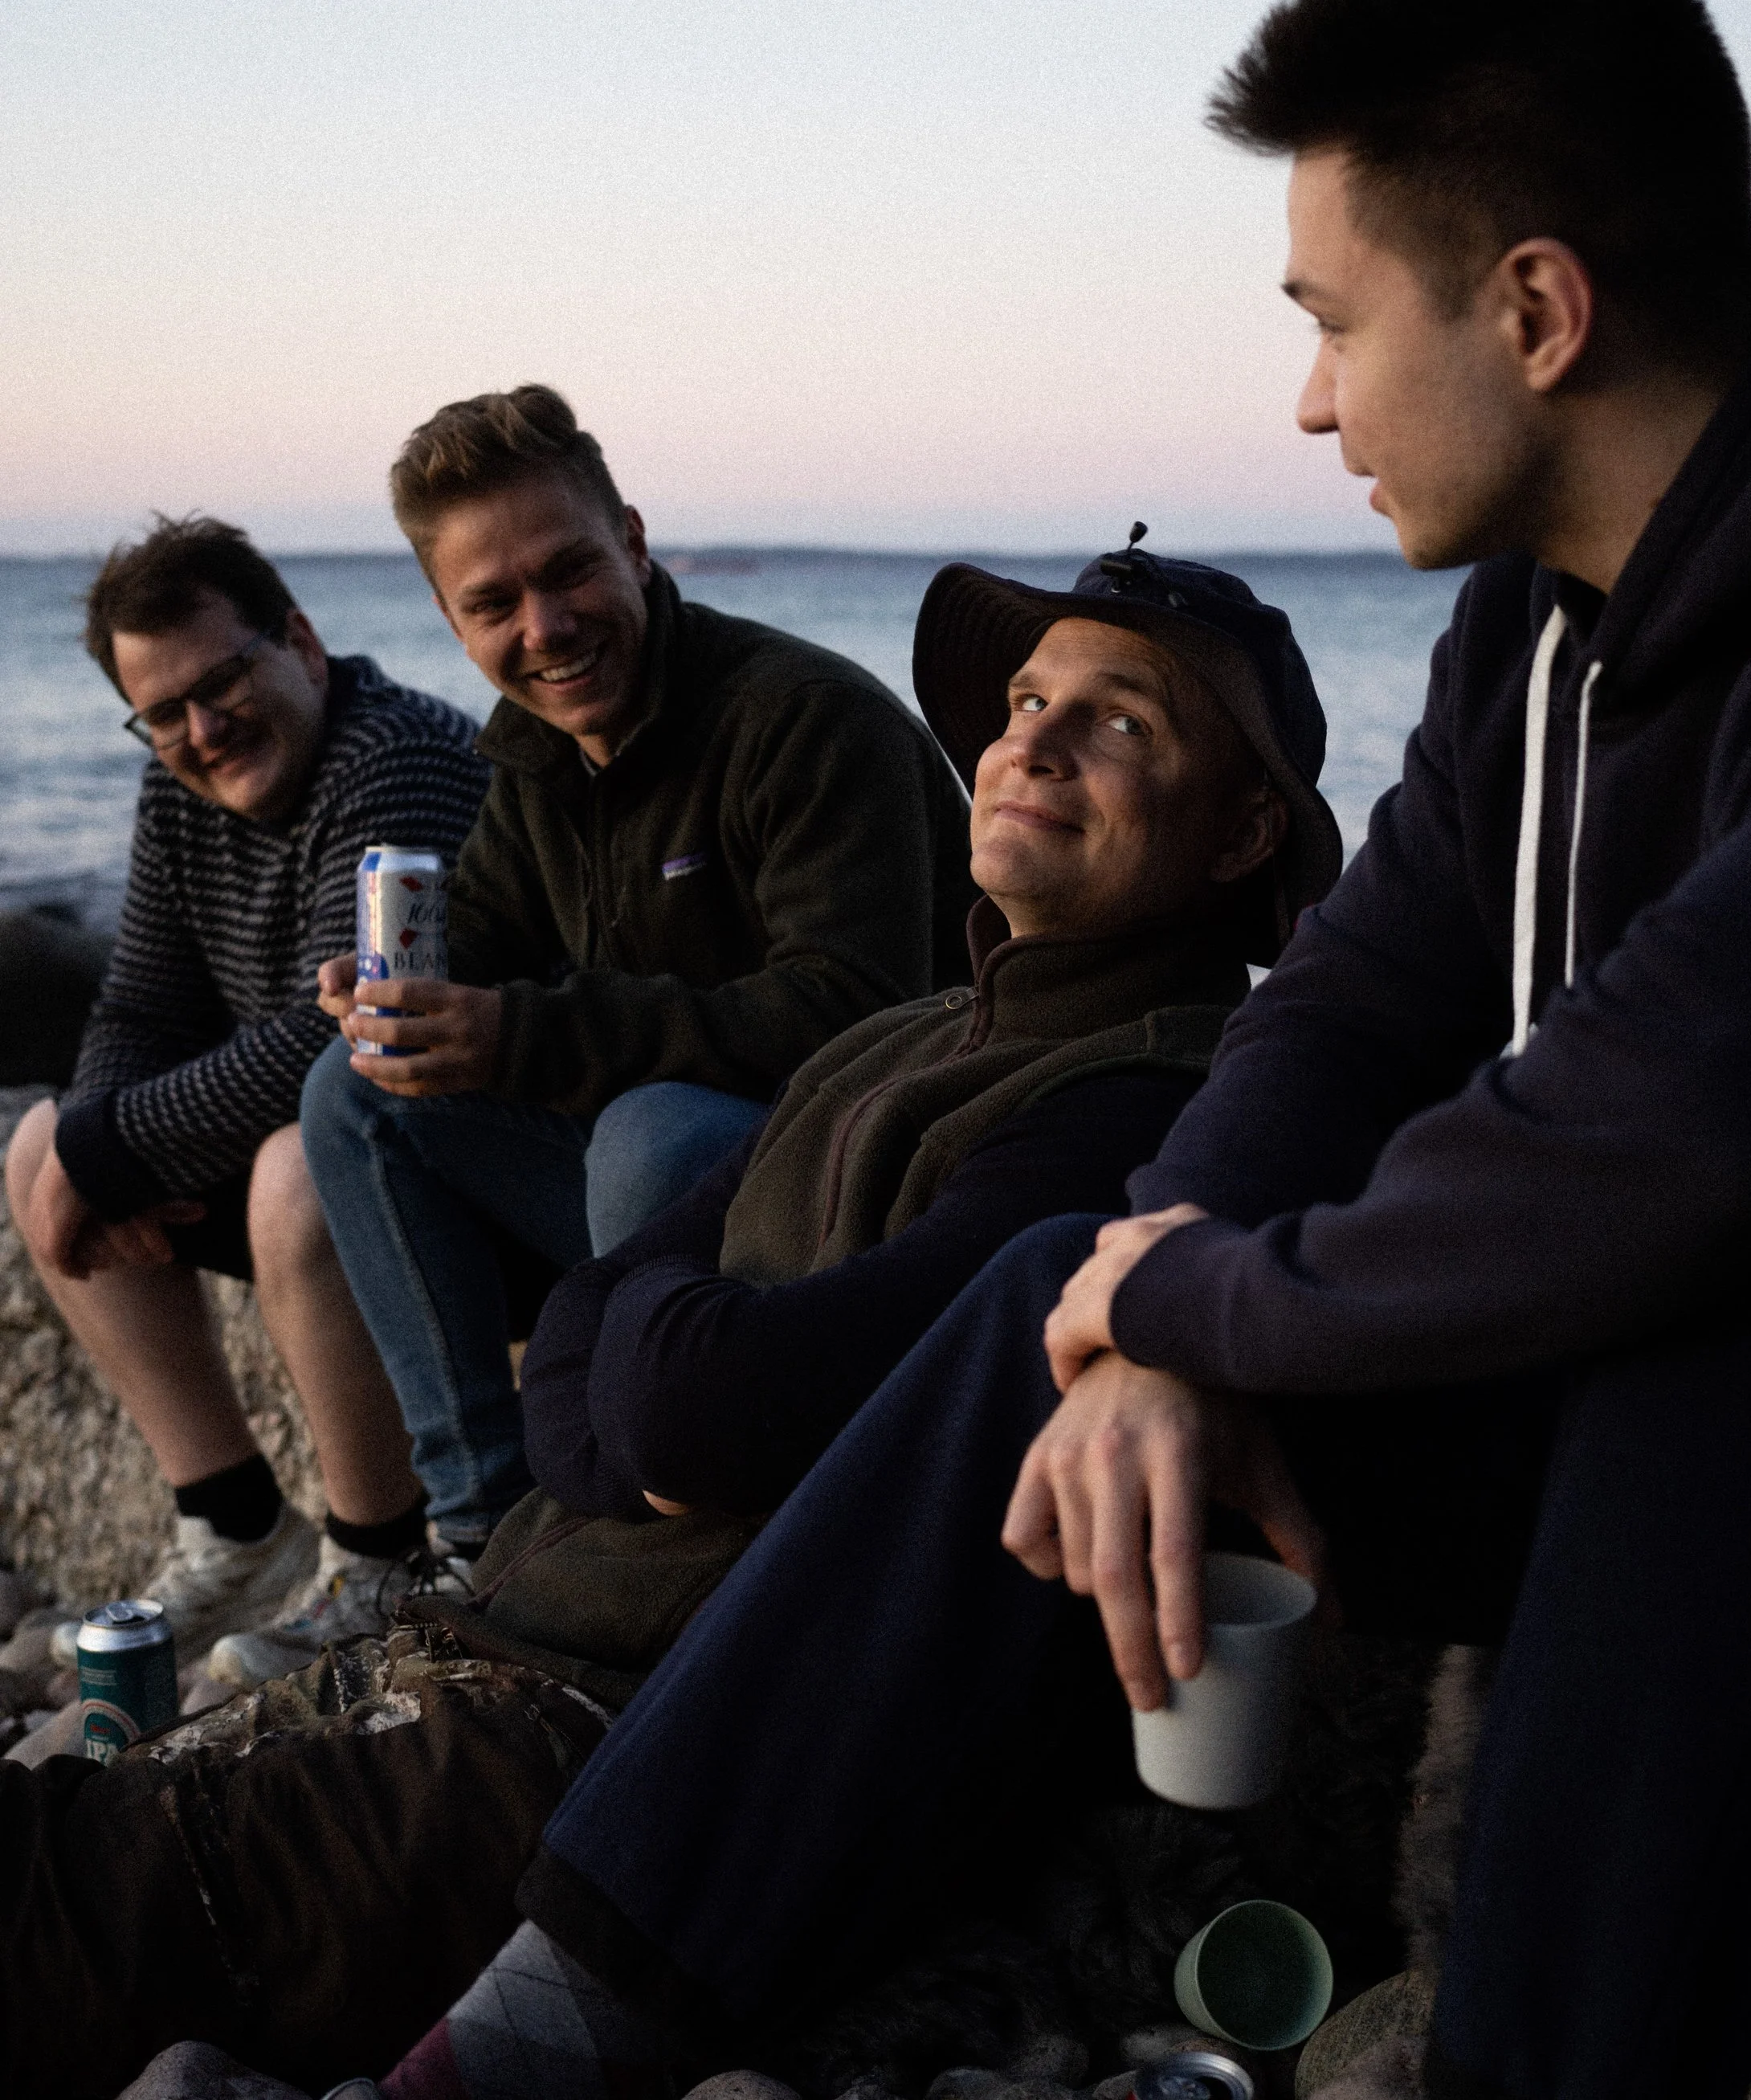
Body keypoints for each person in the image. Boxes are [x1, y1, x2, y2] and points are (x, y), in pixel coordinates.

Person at [359, 0, 1751, 2100]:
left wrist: (1219, 1307)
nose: (1308, 394)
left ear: (1532, 308)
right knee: (1061, 1265)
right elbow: (1342, 996)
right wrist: (1150, 1306)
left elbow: (1693, 1113)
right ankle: (535, 2036)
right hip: (1595, 1382)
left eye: (1329, 317)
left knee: (1745, 1341)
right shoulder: (1533, 621)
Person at [0, 545, 1340, 2100]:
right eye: (1028, 698)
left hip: (608, 1747)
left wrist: (648, 1370)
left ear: (1247, 829)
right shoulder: (909, 1037)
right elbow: (593, 1336)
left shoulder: (1136, 1110)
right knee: (72, 1838)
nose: (1030, 738)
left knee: (67, 1927)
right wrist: (643, 1376)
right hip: (478, 1641)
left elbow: (716, 1406)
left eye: (1121, 725)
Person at [293, 383, 975, 1596]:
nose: (545, 627)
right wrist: (389, 1003)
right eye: (493, 603)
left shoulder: (806, 722)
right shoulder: (538, 752)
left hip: (856, 1201)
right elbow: (490, 950)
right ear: (452, 623)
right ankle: (479, 1540)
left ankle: (645, 1544)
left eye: (569, 573)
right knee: (356, 1092)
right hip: (664, 1210)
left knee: (647, 1133)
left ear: (636, 544)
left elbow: (850, 1014)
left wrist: (520, 1036)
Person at [2, 516, 490, 1673]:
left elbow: (329, 1039)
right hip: (322, 1137)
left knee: (290, 1158)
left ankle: (376, 1559)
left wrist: (117, 1153)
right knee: (38, 1144)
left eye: (224, 681)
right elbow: (139, 1011)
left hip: (451, 1159)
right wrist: (90, 1152)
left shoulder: (395, 760)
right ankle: (234, 1527)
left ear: (302, 644)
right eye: (163, 711)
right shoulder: (178, 792)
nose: (202, 730)